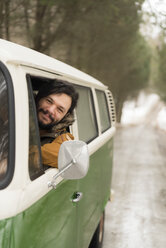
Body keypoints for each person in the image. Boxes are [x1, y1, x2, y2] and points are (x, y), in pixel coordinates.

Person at [35, 80, 79, 168]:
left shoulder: (62, 138)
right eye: (49, 101)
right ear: (39, 98)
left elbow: (68, 157)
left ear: (65, 116)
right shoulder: (14, 113)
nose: (50, 110)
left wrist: (23, 155)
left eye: (59, 109)